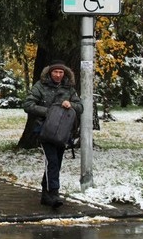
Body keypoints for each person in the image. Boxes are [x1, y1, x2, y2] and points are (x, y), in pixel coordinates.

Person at [23, 60, 83, 207]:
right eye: (55, 72)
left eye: (61, 72)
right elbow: (28, 105)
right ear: (50, 73)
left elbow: (80, 106)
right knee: (52, 161)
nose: (58, 75)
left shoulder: (69, 88)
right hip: (44, 130)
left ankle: (46, 194)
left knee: (56, 162)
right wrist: (49, 112)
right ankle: (54, 193)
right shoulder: (40, 86)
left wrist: (71, 105)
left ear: (65, 73)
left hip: (63, 132)